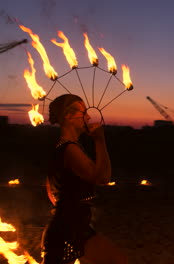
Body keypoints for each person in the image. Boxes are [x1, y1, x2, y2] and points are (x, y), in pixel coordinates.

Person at [41, 94, 127, 264]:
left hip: (69, 228)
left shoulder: (61, 147)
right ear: (68, 116)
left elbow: (51, 192)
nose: (88, 117)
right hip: (69, 230)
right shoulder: (69, 149)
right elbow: (102, 177)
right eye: (84, 112)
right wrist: (100, 141)